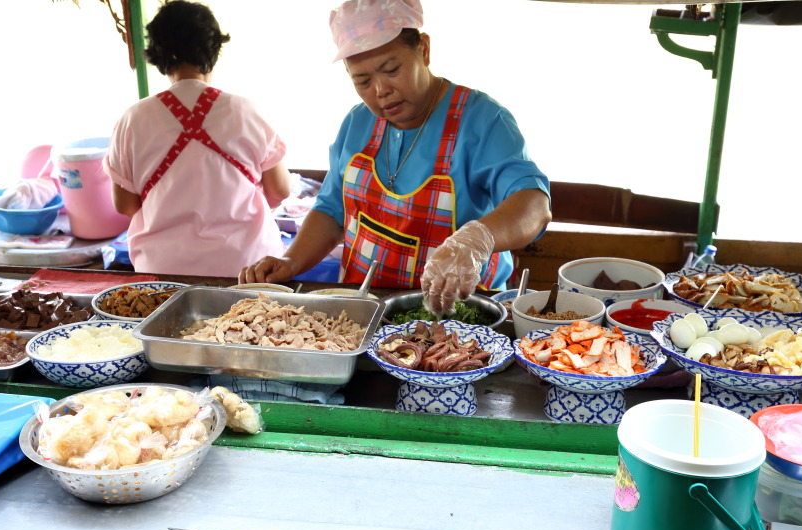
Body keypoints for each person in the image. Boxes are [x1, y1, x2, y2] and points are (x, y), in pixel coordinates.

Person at [239, 0, 551, 315]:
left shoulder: (483, 121)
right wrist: (291, 261)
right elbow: (333, 210)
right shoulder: (357, 123)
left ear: (424, 50)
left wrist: (475, 239)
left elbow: (534, 205)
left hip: (458, 315)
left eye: (391, 69)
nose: (380, 90)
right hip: (362, 310)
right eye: (362, 81)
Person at [104, 0, 290, 277]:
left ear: (158, 54)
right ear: (213, 49)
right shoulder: (245, 110)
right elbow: (280, 190)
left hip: (163, 272)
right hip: (248, 269)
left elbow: (125, 205)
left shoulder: (133, 118)